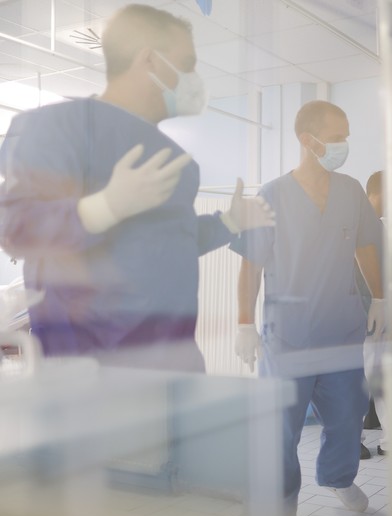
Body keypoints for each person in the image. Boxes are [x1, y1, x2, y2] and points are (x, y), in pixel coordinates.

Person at [0, 4, 274, 372]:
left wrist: (228, 222)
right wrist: (104, 207)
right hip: (89, 373)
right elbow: (16, 226)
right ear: (150, 60)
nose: (194, 77)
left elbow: (168, 245)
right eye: (187, 63)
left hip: (175, 367)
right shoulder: (54, 128)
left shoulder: (177, 161)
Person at [232, 100, 383, 516]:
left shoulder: (351, 190)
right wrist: (244, 323)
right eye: (338, 137)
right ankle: (281, 507)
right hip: (288, 338)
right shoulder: (272, 195)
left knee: (347, 417)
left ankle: (338, 476)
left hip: (341, 330)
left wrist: (382, 298)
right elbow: (251, 266)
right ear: (307, 139)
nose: (345, 145)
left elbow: (365, 247)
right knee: (281, 432)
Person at [357, 171, 392, 459]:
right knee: (360, 379)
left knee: (387, 377)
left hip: (383, 313)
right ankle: (351, 439)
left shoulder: (378, 226)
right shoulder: (355, 222)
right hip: (361, 313)